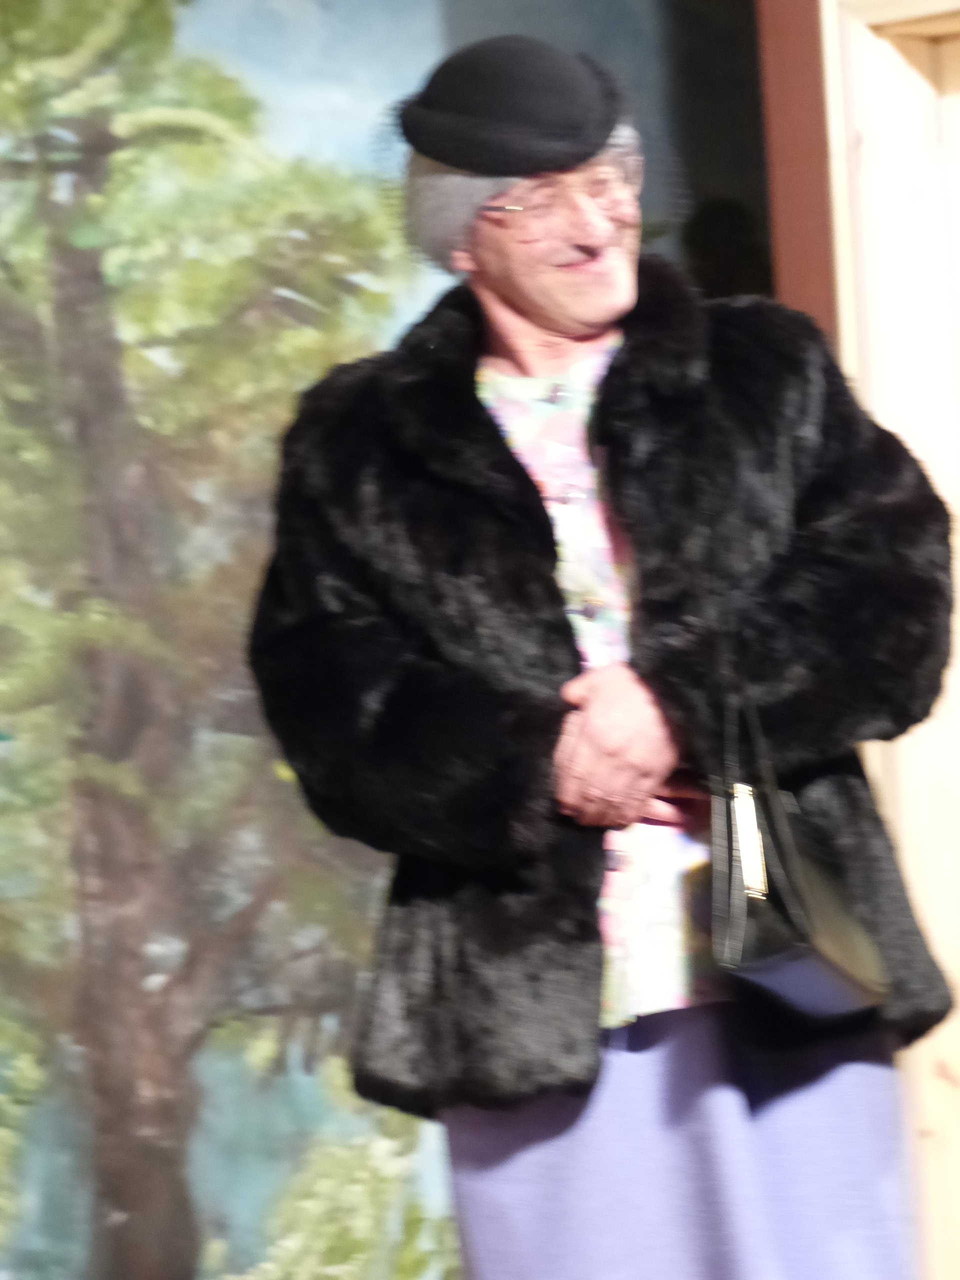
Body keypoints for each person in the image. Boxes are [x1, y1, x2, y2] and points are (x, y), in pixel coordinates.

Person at [248, 34, 953, 1280]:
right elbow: (330, 701)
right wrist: (539, 761)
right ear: (462, 239)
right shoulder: (358, 441)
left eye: (610, 178)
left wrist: (677, 708)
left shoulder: (763, 369)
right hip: (525, 1005)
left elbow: (891, 595)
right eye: (539, 198)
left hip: (788, 964)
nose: (597, 221)